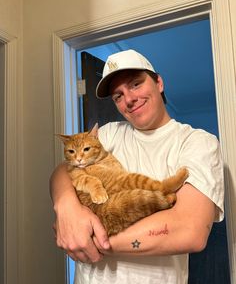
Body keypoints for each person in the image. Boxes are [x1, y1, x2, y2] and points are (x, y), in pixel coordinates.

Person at [50, 49, 224, 284]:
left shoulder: (196, 142)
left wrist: (87, 238)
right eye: (118, 96)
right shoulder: (110, 133)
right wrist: (66, 207)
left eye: (135, 84)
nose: (128, 99)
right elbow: (64, 170)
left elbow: (189, 231)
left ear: (159, 83)